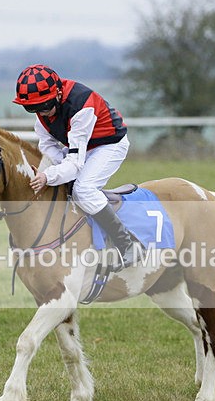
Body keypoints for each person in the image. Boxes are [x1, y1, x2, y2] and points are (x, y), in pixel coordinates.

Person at [12, 64, 142, 271]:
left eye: (44, 105)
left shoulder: (82, 106)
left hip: (110, 145)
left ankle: (129, 245)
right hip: (84, 147)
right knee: (66, 184)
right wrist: (56, 168)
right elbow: (46, 146)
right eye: (32, 108)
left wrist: (49, 176)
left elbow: (74, 164)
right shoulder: (42, 116)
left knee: (83, 189)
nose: (41, 113)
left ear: (58, 94)